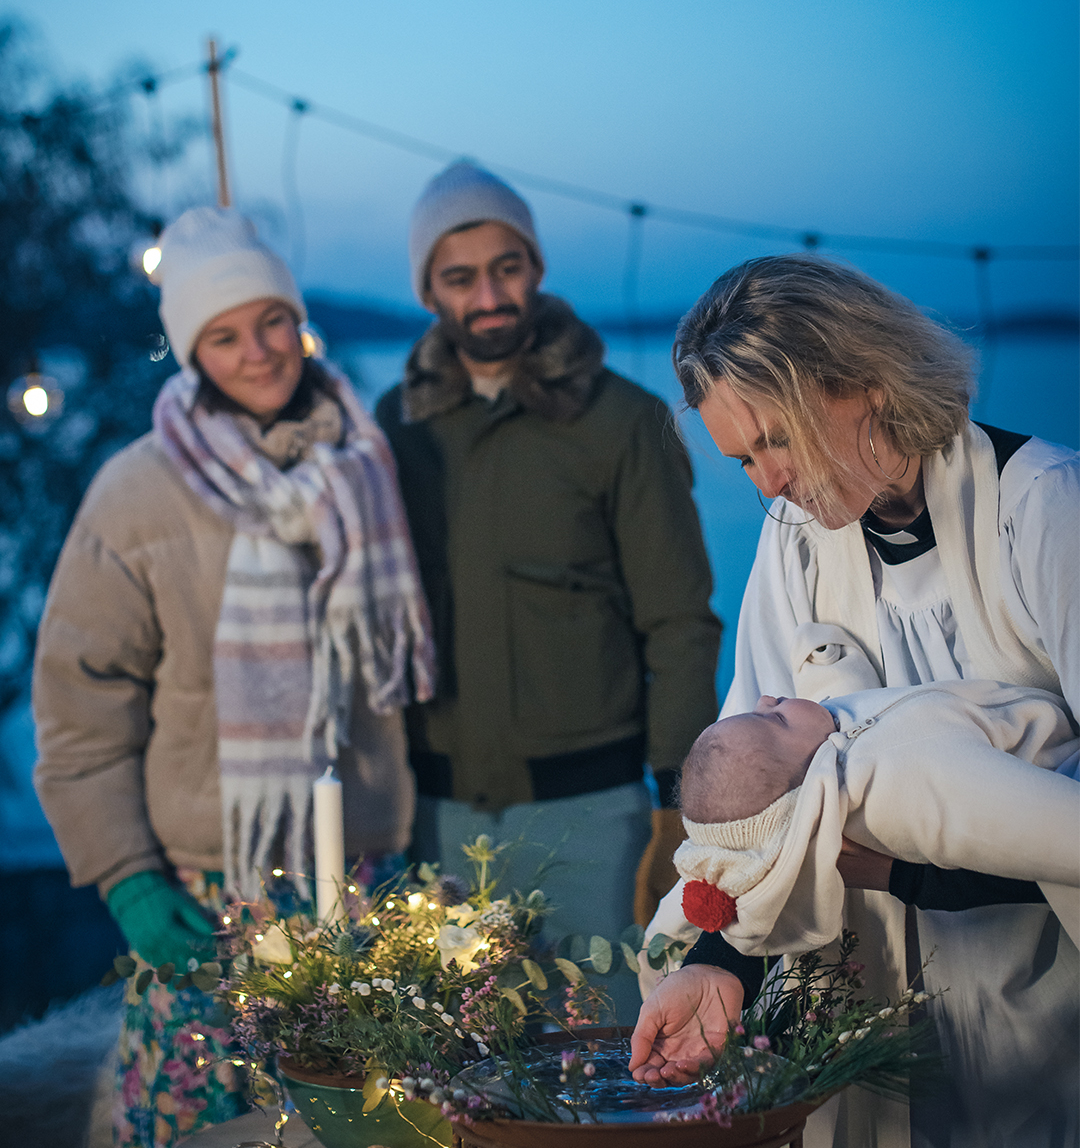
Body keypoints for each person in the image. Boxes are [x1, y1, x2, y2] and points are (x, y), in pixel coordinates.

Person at [629, 253, 1079, 1148]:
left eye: (778, 440)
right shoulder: (794, 544)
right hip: (867, 998)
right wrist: (718, 961)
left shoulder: (1042, 507)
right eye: (742, 457)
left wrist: (911, 870)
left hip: (1040, 990)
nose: (767, 483)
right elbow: (751, 800)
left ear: (863, 382)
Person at [32, 207, 434, 1148]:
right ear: (189, 352)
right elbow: (78, 702)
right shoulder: (136, 491)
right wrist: (126, 878)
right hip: (212, 891)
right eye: (223, 334)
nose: (258, 352)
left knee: (365, 1127)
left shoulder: (366, 463)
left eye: (270, 321)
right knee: (199, 1124)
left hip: (362, 877)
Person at [374, 160, 721, 1018]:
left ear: (535, 267)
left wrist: (679, 801)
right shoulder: (391, 429)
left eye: (507, 267)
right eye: (460, 278)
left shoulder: (622, 422)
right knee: (454, 1060)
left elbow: (680, 622)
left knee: (602, 1054)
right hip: (440, 817)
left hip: (591, 818)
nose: (487, 295)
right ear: (430, 292)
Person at [672, 670, 1078, 959]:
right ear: (804, 789)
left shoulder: (830, 736)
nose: (765, 699)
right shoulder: (887, 789)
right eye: (775, 719)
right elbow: (1044, 832)